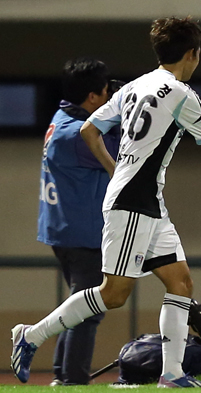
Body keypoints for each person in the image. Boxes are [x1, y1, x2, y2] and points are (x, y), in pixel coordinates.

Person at [11, 16, 201, 388]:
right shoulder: (180, 93)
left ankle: (172, 374)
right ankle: (31, 335)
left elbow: (91, 129)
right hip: (134, 202)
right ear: (192, 54)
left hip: (146, 200)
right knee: (114, 294)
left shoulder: (135, 85)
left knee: (180, 282)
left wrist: (115, 170)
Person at [37, 57, 120, 386]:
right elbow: (118, 154)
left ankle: (63, 375)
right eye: (105, 90)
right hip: (81, 234)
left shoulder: (63, 116)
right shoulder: (75, 134)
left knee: (78, 306)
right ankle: (72, 380)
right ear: (92, 97)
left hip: (66, 229)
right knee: (87, 311)